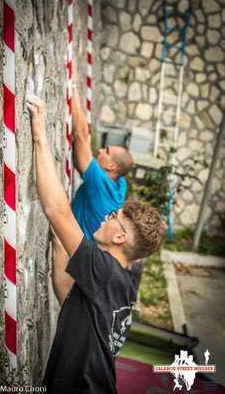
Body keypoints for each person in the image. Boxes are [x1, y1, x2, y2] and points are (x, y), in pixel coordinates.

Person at [27, 94, 166, 394]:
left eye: (114, 216)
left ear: (120, 238)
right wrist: (59, 248)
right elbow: (72, 298)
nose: (107, 216)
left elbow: (56, 209)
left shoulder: (102, 269)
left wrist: (39, 136)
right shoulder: (123, 281)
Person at [71, 64, 134, 240]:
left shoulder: (99, 183)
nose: (100, 150)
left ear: (112, 166)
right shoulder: (120, 184)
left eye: (105, 151)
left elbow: (81, 135)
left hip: (75, 250)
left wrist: (73, 87)